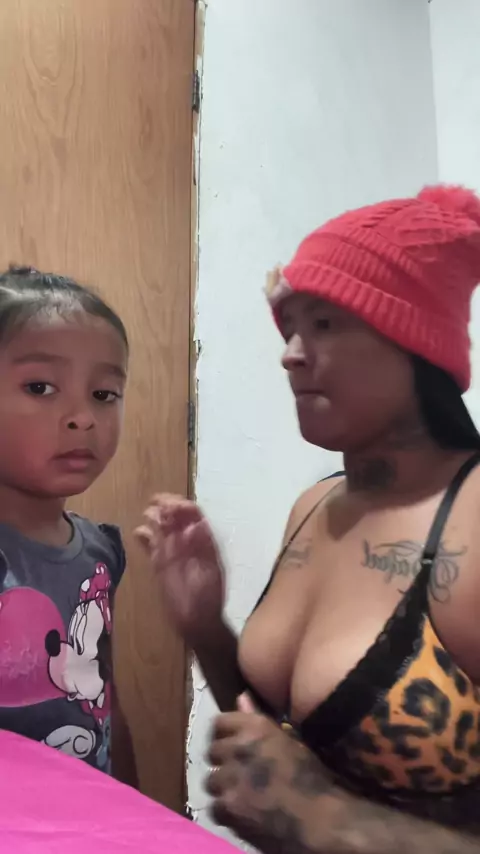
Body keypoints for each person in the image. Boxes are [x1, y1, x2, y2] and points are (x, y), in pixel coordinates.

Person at [137, 184, 480, 853]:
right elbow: (288, 747)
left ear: (414, 341)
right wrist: (207, 628)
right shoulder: (317, 506)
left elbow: (307, 802)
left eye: (324, 323)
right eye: (290, 326)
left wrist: (327, 819)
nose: (290, 353)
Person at [0, 265, 136, 782]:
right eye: (40, 387)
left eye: (104, 394)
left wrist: (131, 803)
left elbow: (104, 695)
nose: (83, 417)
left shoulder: (100, 550)